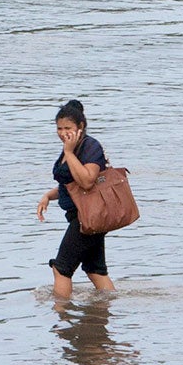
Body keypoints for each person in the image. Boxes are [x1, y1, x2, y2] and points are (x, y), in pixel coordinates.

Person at [37, 99, 114, 299]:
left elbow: (88, 181)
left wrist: (69, 153)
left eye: (68, 128)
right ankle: (104, 313)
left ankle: (62, 320)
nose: (63, 133)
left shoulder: (89, 147)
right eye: (59, 128)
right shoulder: (72, 148)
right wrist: (48, 196)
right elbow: (71, 185)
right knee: (95, 270)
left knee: (61, 268)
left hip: (87, 217)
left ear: (81, 127)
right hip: (82, 216)